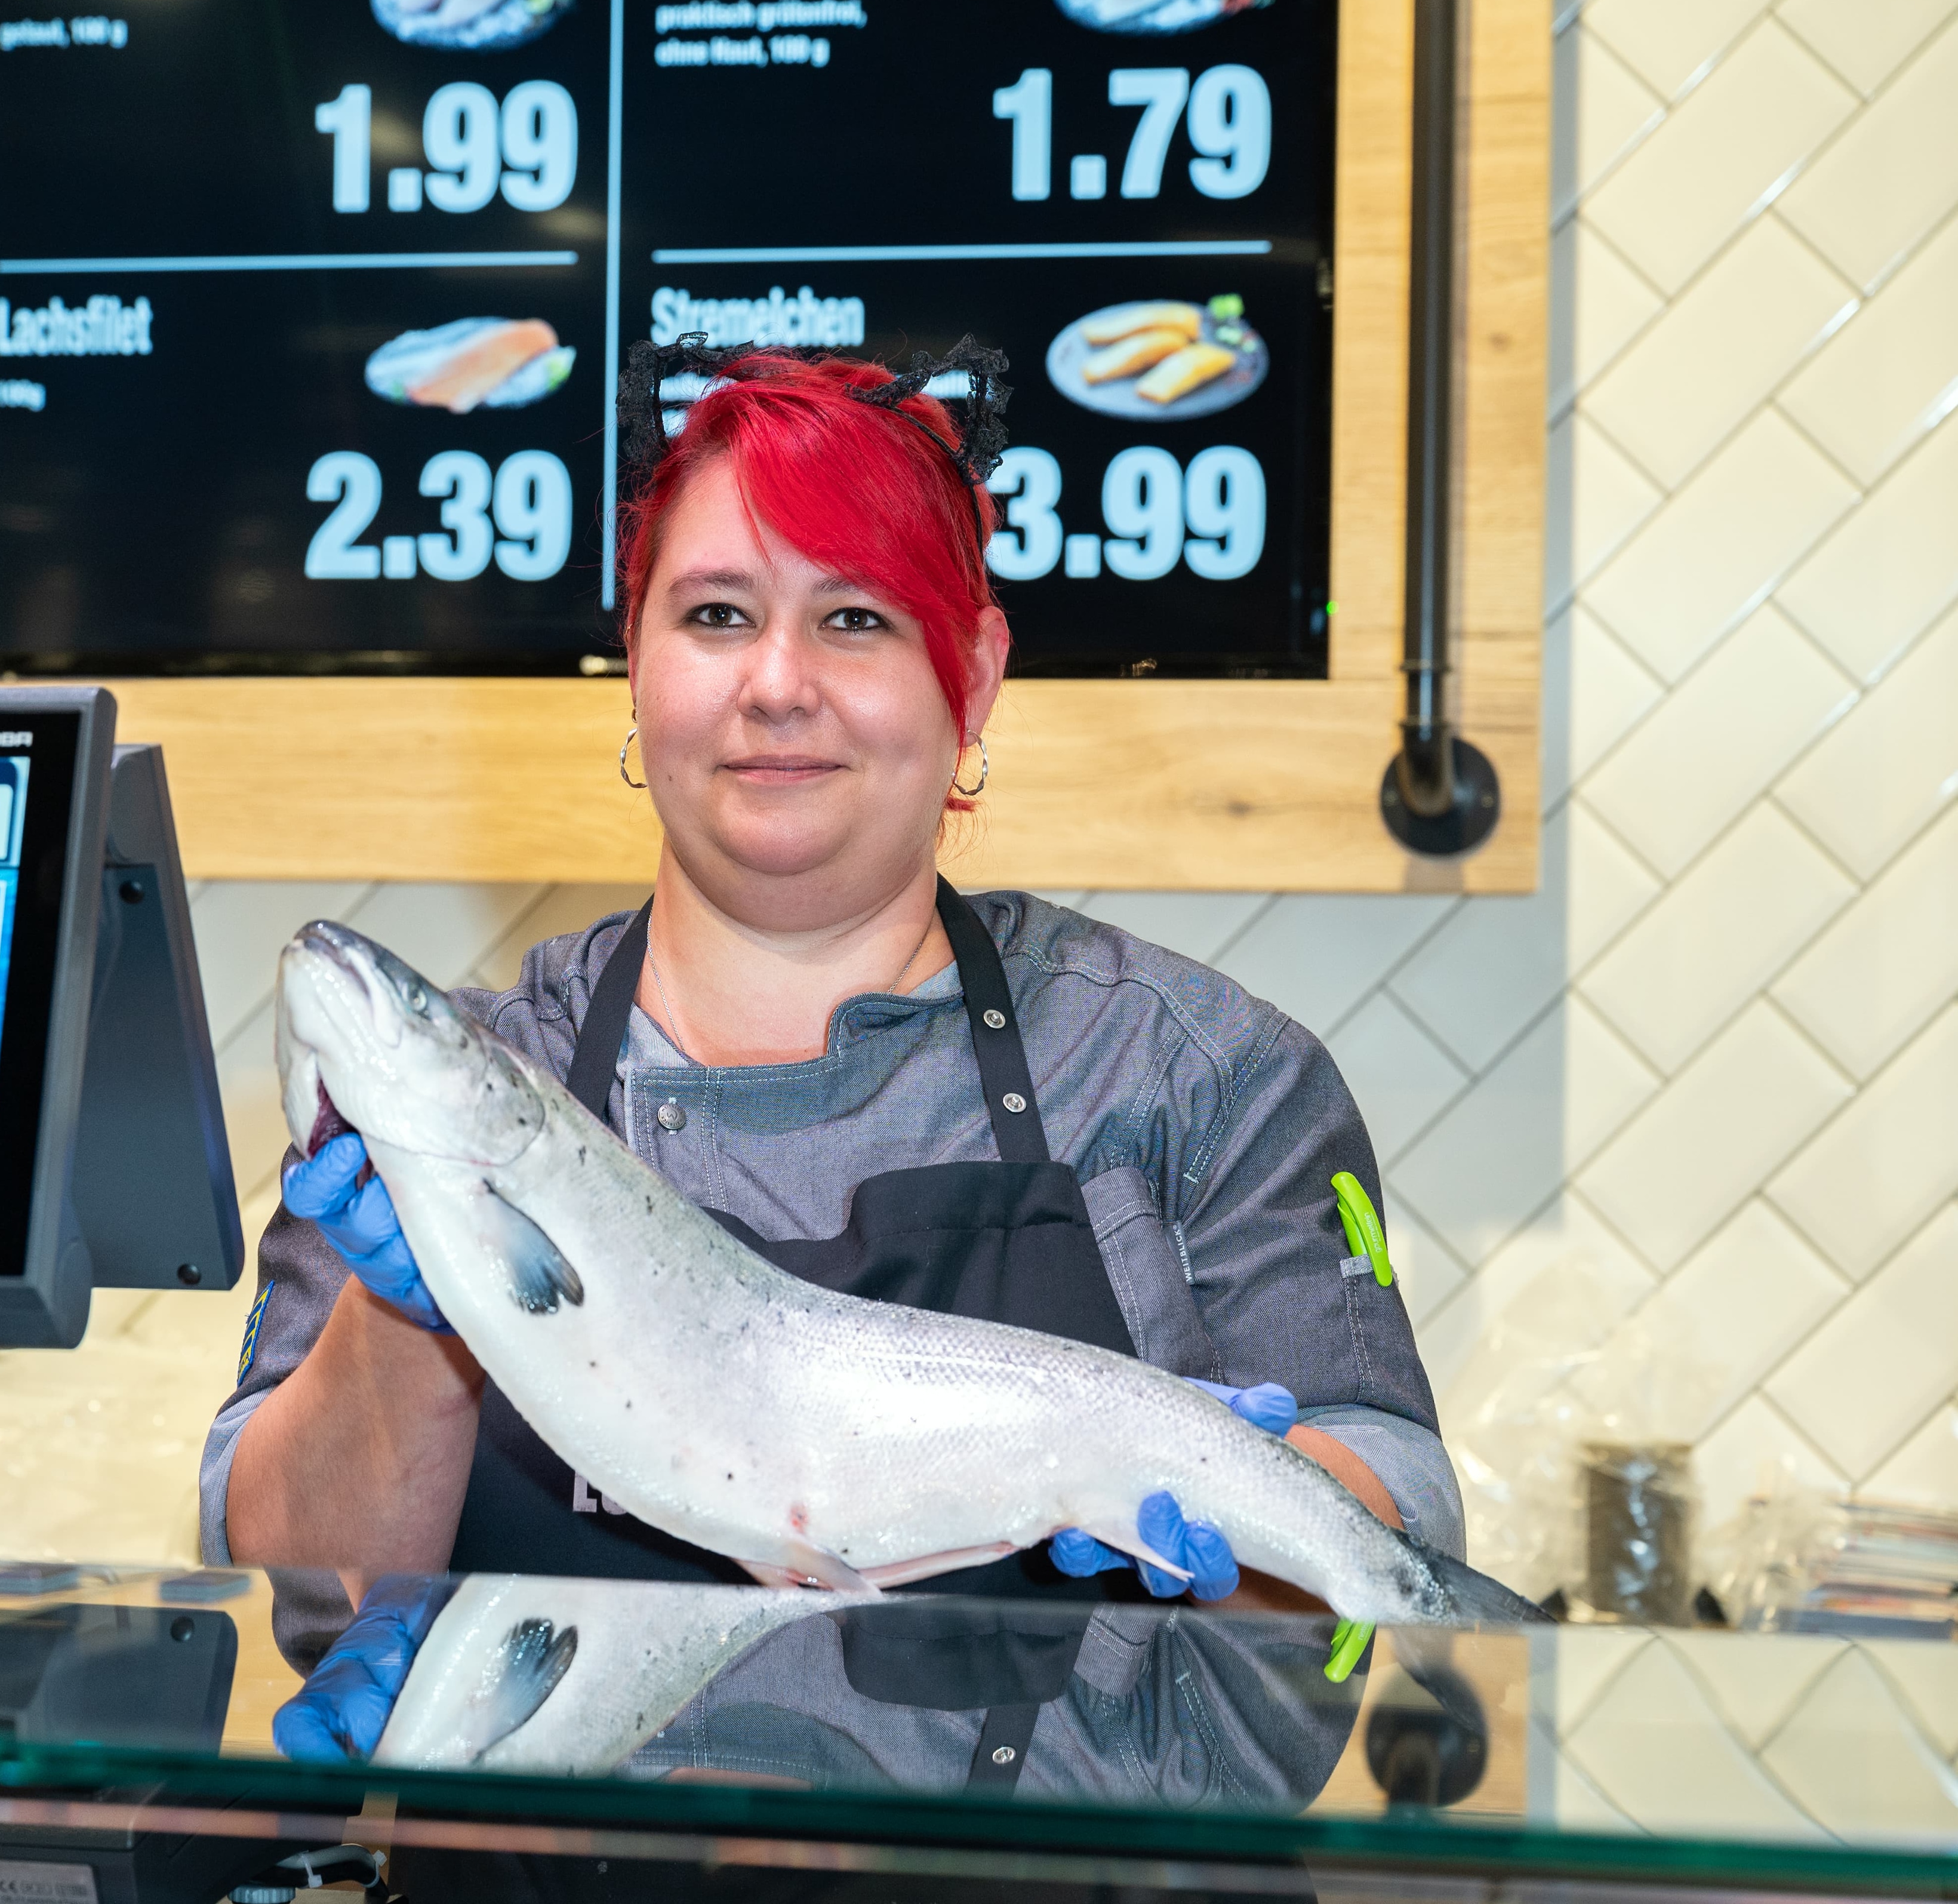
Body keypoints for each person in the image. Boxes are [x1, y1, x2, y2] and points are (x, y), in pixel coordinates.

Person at [201, 338, 1458, 1666]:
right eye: (716, 615)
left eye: (855, 616)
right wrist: (412, 1315)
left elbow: (1410, 1517)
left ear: (970, 674)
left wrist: (1251, 1515)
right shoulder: (455, 1084)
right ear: (634, 658)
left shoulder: (1193, 1072)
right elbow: (301, 1595)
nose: (777, 683)